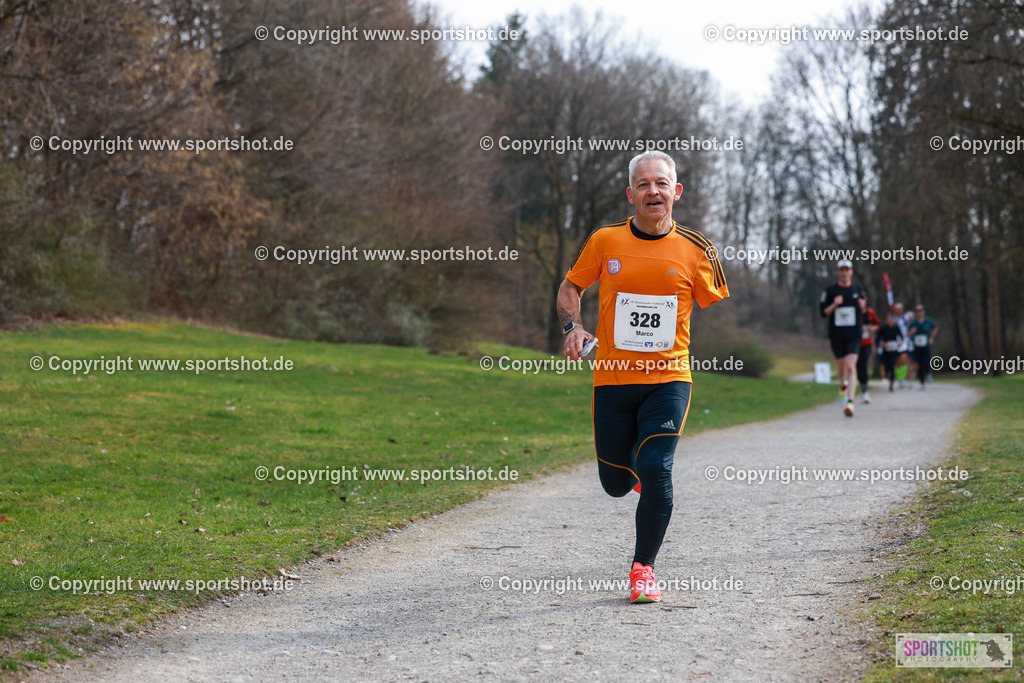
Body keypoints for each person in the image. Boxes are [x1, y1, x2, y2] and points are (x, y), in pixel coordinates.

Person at [557, 151, 729, 604]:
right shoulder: (605, 241)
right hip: (612, 379)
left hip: (669, 378)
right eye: (643, 184)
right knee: (614, 484)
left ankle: (643, 569)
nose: (653, 191)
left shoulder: (698, 249)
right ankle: (636, 478)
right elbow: (571, 286)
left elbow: (711, 301)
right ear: (630, 194)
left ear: (676, 192)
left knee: (656, 468)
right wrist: (573, 327)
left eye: (661, 183)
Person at [820, 260, 866, 417]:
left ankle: (850, 402)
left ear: (851, 272)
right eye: (842, 270)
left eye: (847, 270)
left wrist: (863, 308)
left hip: (854, 334)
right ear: (839, 272)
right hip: (837, 335)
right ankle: (842, 387)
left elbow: (863, 312)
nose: (845, 272)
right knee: (842, 370)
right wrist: (834, 305)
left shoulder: (857, 290)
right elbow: (823, 312)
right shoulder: (831, 290)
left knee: (851, 367)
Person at [907, 305, 938, 390]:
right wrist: (911, 332)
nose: (919, 312)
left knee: (926, 362)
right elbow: (907, 334)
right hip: (917, 346)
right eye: (917, 311)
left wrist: (932, 337)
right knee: (919, 364)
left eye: (921, 311)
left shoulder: (928, 321)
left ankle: (928, 373)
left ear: (924, 311)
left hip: (926, 344)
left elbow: (935, 327)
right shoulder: (914, 322)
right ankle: (922, 382)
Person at [856, 301, 880, 403]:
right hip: (855, 344)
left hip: (867, 343)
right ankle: (862, 388)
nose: (860, 303)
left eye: (862, 300)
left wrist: (873, 328)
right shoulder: (854, 312)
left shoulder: (870, 312)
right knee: (857, 367)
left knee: (863, 365)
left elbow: (877, 324)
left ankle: (865, 392)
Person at [876, 314, 903, 392]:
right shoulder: (883, 328)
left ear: (893, 320)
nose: (889, 321)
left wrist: (900, 343)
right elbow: (878, 339)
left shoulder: (896, 328)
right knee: (887, 366)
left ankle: (891, 384)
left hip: (894, 349)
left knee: (892, 365)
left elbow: (901, 337)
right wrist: (882, 344)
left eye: (890, 320)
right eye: (888, 320)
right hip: (886, 350)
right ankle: (887, 376)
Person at [891, 302, 912, 388]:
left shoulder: (905, 318)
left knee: (905, 359)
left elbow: (911, 315)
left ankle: (907, 379)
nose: (898, 311)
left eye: (900, 309)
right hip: (895, 343)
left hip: (905, 342)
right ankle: (900, 379)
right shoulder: (893, 319)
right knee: (898, 362)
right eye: (896, 310)